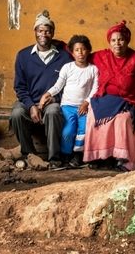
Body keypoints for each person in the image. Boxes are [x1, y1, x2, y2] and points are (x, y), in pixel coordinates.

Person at [83, 20, 135, 171]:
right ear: (109, 42)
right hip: (104, 99)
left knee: (122, 120)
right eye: (113, 40)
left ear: (127, 41)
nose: (117, 43)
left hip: (127, 101)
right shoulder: (102, 56)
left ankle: (122, 159)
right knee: (93, 115)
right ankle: (100, 157)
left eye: (121, 39)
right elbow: (80, 53)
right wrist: (59, 45)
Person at [10, 9, 73, 169]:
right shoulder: (23, 56)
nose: (43, 34)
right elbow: (20, 87)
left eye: (47, 31)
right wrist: (31, 106)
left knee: (53, 112)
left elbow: (70, 85)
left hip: (53, 101)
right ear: (35, 32)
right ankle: (29, 155)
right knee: (17, 113)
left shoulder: (64, 57)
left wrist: (56, 99)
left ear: (52, 33)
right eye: (40, 30)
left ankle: (54, 159)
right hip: (28, 100)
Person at [39, 35, 99, 168]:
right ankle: (66, 155)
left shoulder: (93, 69)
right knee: (68, 131)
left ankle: (77, 156)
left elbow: (95, 89)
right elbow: (58, 85)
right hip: (67, 106)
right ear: (72, 52)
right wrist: (47, 94)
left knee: (82, 131)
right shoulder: (67, 67)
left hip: (84, 107)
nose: (80, 53)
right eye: (77, 50)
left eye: (83, 49)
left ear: (88, 50)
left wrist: (87, 103)